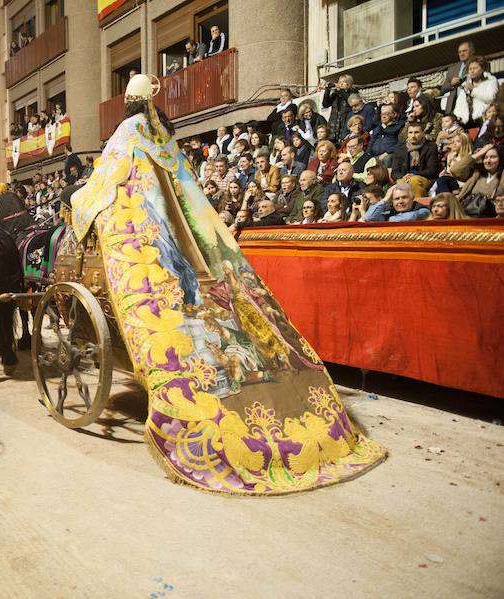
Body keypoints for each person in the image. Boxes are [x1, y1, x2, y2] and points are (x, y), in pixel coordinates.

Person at [68, 72, 384, 494]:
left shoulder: (127, 133)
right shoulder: (165, 137)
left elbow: (105, 184)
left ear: (127, 102)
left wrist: (80, 200)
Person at [450, 144, 502, 217]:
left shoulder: (502, 176)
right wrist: (478, 154)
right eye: (485, 157)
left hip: (491, 217)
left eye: (493, 157)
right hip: (467, 214)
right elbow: (455, 170)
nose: (488, 161)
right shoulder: (476, 173)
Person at [391, 122, 439, 198]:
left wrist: (414, 175)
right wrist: (403, 177)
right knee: (400, 183)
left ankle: (418, 206)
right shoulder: (400, 149)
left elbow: (432, 170)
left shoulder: (431, 147)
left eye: (416, 132)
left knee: (414, 180)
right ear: (407, 134)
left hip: (424, 177)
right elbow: (395, 172)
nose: (413, 136)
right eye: (410, 132)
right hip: (405, 177)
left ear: (423, 133)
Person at [453, 56, 500, 127]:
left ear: (482, 69)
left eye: (475, 68)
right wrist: (458, 116)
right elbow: (459, 104)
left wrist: (473, 90)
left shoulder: (491, 80)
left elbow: (491, 98)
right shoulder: (466, 84)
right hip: (468, 122)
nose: (472, 71)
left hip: (485, 120)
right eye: (470, 69)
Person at [364, 183, 430, 221]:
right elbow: (368, 218)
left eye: (404, 197)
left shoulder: (423, 210)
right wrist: (385, 199)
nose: (400, 201)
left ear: (412, 198)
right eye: (396, 199)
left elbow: (410, 217)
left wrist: (388, 219)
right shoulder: (391, 213)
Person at [441, 40, 475, 114]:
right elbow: (442, 89)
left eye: (464, 51)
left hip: (471, 106)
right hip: (453, 109)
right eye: (459, 52)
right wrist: (451, 84)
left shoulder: (479, 65)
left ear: (472, 51)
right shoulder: (452, 69)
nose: (461, 54)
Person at [322, 74, 356, 142]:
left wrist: (340, 90)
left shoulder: (353, 92)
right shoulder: (336, 94)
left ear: (348, 83)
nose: (340, 84)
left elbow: (350, 100)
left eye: (343, 82)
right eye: (339, 82)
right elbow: (326, 104)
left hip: (345, 124)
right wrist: (327, 90)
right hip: (334, 126)